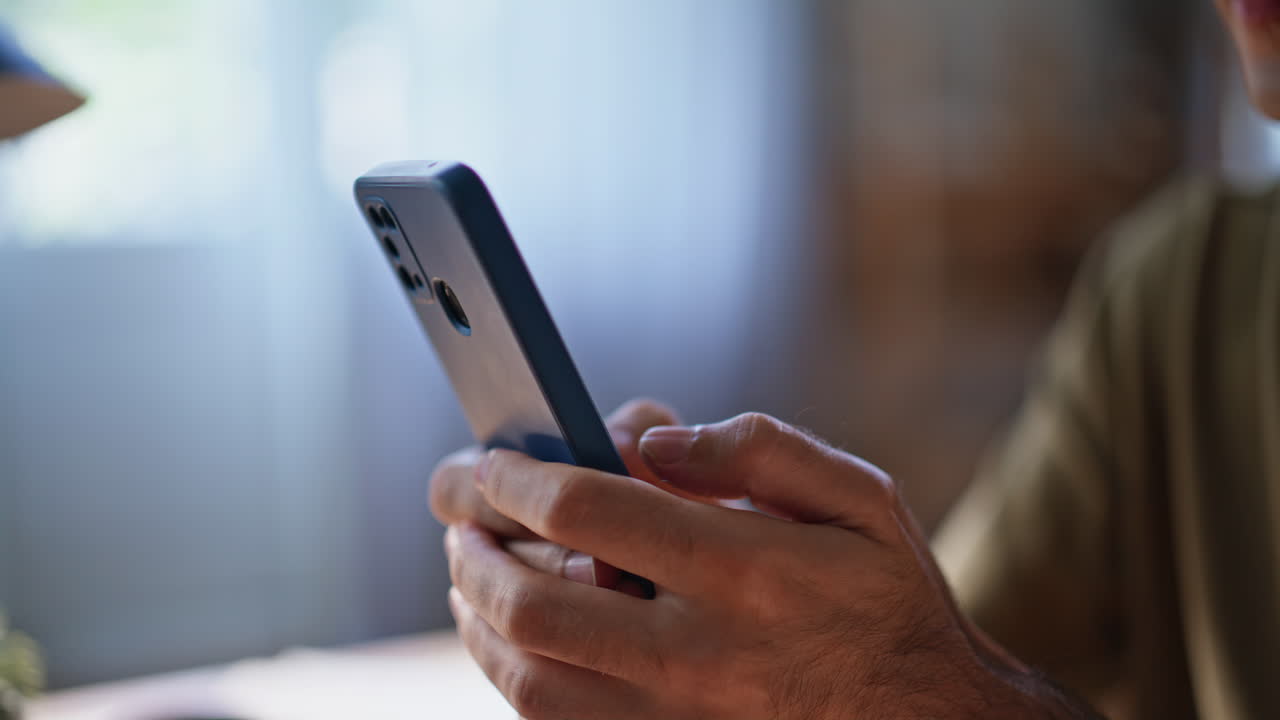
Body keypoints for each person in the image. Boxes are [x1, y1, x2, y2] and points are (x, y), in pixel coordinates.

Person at [428, 2, 1280, 717]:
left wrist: (909, 690)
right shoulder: (1182, 290)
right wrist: (740, 595)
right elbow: (969, 654)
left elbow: (930, 685)